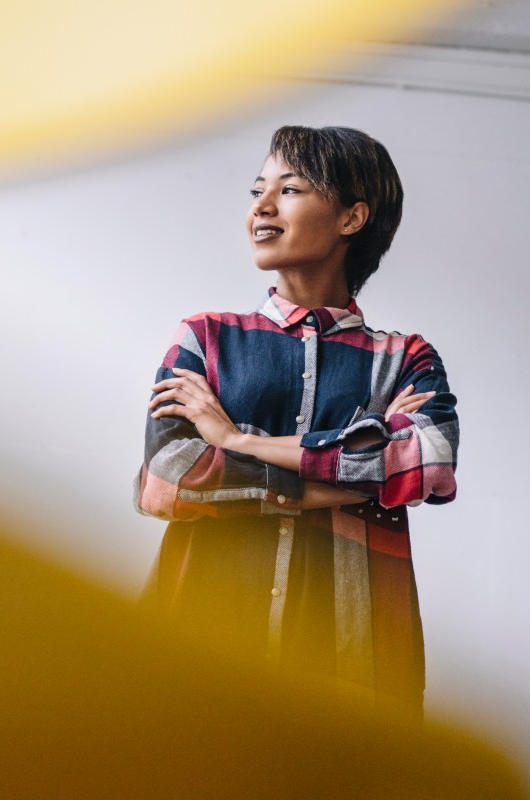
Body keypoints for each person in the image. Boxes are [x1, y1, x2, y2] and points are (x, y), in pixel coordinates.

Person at [134, 125, 458, 718]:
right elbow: (168, 479)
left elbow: (427, 464)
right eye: (258, 189)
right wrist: (347, 476)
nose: (261, 206)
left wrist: (233, 440)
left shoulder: (406, 357)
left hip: (353, 657)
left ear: (351, 218)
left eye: (290, 189)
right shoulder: (205, 337)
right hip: (198, 643)